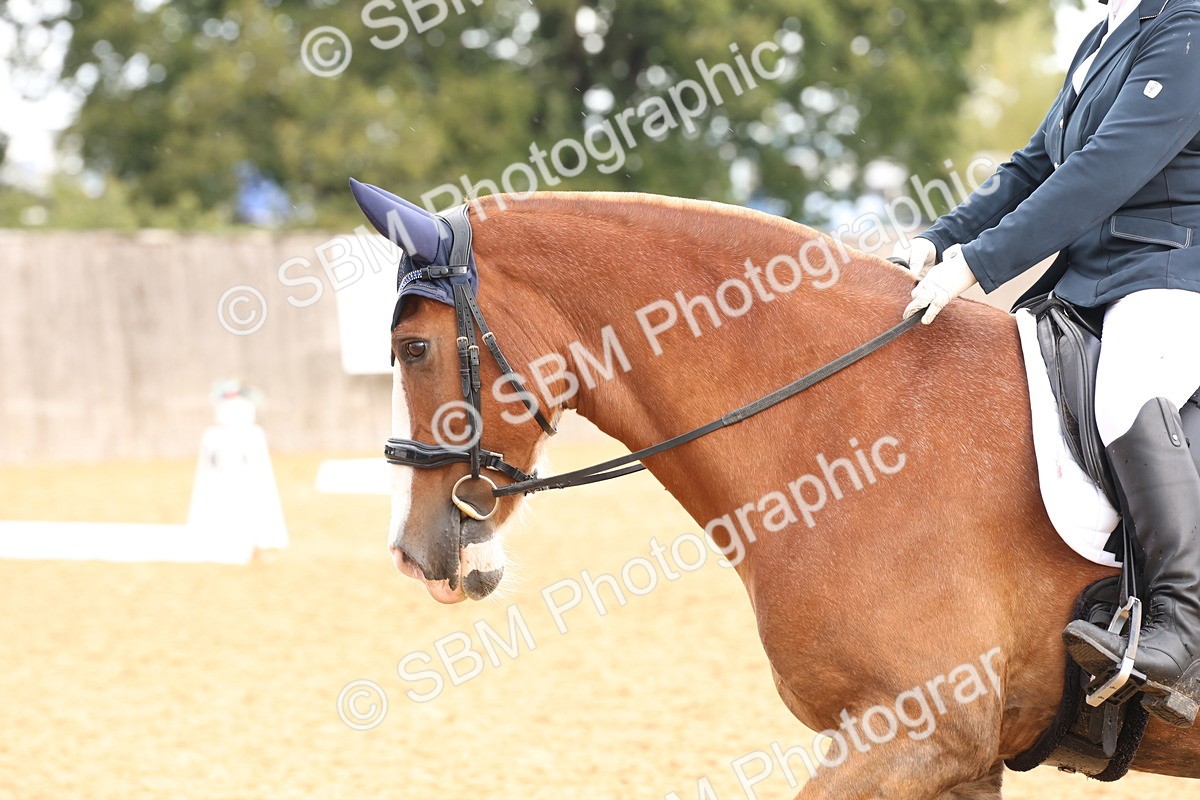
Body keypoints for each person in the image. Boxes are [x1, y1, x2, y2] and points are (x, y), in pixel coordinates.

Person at [897, 0, 1200, 727]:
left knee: (1127, 390)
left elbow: (1105, 169)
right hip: (1092, 280)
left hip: (1173, 273)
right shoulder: (1106, 32)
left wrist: (979, 263)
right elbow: (1036, 163)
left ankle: (1182, 626)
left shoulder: (1188, 26)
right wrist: (939, 240)